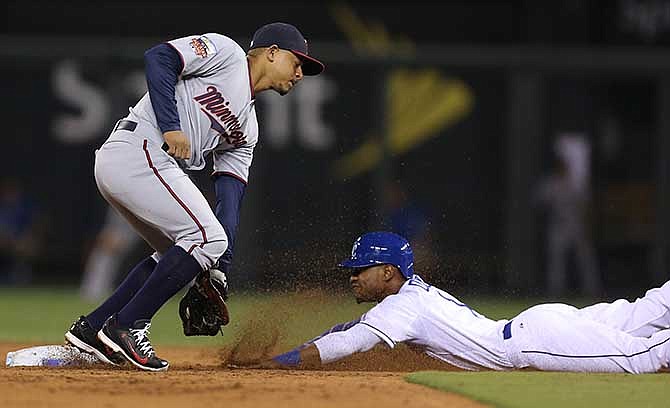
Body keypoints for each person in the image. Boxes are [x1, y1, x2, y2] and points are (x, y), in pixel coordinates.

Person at [64, 22, 324, 372]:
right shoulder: (227, 53)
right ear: (272, 53)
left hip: (142, 164)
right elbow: (159, 58)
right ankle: (127, 325)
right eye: (298, 63)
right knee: (205, 239)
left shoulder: (247, 128)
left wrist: (219, 269)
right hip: (137, 149)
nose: (300, 74)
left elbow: (229, 203)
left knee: (186, 255)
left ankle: (94, 327)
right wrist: (171, 126)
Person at [264, 231, 670, 374]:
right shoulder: (410, 296)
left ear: (388, 272)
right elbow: (349, 331)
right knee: (644, 311)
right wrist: (294, 351)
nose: (353, 275)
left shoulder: (400, 308)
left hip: (533, 341)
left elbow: (348, 343)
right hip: (538, 326)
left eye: (362, 268)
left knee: (644, 358)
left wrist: (279, 364)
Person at [535, 133, 601, 296]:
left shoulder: (577, 184)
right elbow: (538, 201)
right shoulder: (552, 182)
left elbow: (587, 205)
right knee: (556, 262)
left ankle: (592, 291)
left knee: (585, 261)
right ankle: (555, 292)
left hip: (577, 224)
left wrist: (588, 224)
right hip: (559, 225)